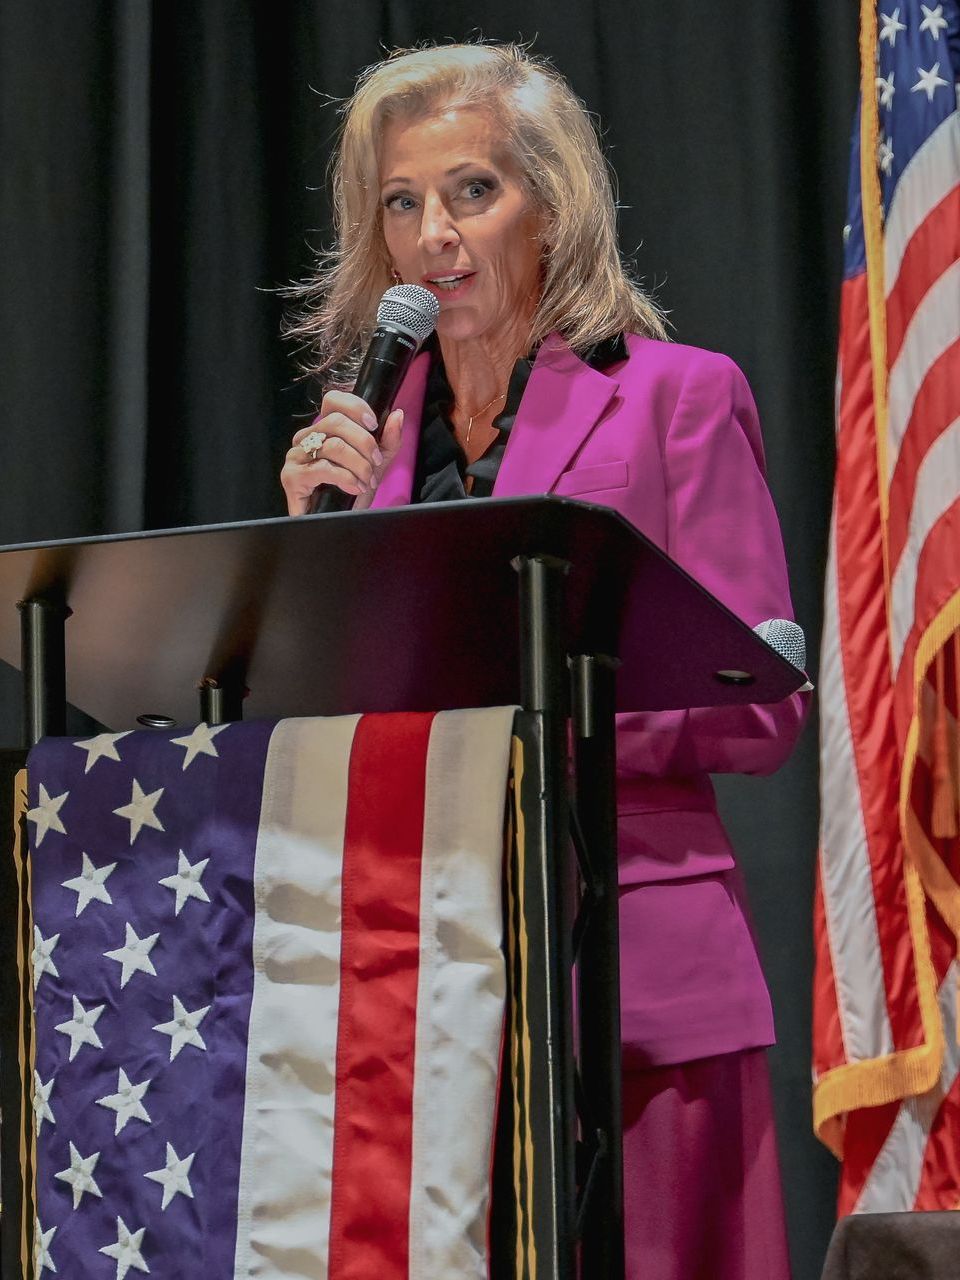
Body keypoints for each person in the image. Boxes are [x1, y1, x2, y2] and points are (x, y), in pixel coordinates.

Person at [280, 42, 808, 1280]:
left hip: (633, 981)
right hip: (419, 986)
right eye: (401, 203)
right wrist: (306, 546)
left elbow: (759, 710)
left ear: (553, 206)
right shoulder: (366, 442)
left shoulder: (677, 397)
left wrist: (540, 717)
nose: (432, 235)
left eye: (472, 191)